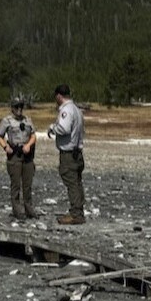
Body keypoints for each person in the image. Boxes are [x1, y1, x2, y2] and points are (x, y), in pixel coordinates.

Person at [47, 84, 86, 225]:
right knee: (77, 181)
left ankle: (76, 214)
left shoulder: (66, 110)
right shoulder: (76, 109)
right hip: (77, 151)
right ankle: (79, 209)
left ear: (59, 95)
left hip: (69, 153)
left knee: (71, 182)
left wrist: (52, 128)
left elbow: (64, 128)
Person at [0, 93, 38, 219]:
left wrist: (29, 145)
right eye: (16, 106)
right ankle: (17, 210)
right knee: (16, 185)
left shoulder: (27, 120)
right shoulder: (7, 121)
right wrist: (5, 147)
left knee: (27, 184)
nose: (19, 109)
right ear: (12, 108)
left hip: (27, 155)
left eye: (21, 106)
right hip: (15, 154)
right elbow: (0, 137)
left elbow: (33, 135)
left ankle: (29, 209)